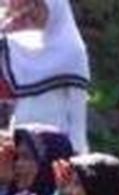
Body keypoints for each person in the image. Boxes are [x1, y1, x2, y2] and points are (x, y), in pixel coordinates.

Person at [1, 0, 90, 153]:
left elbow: (77, 109)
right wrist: (7, 23)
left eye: (39, 5)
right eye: (30, 4)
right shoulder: (23, 46)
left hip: (56, 139)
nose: (32, 10)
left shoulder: (73, 50)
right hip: (21, 137)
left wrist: (78, 150)